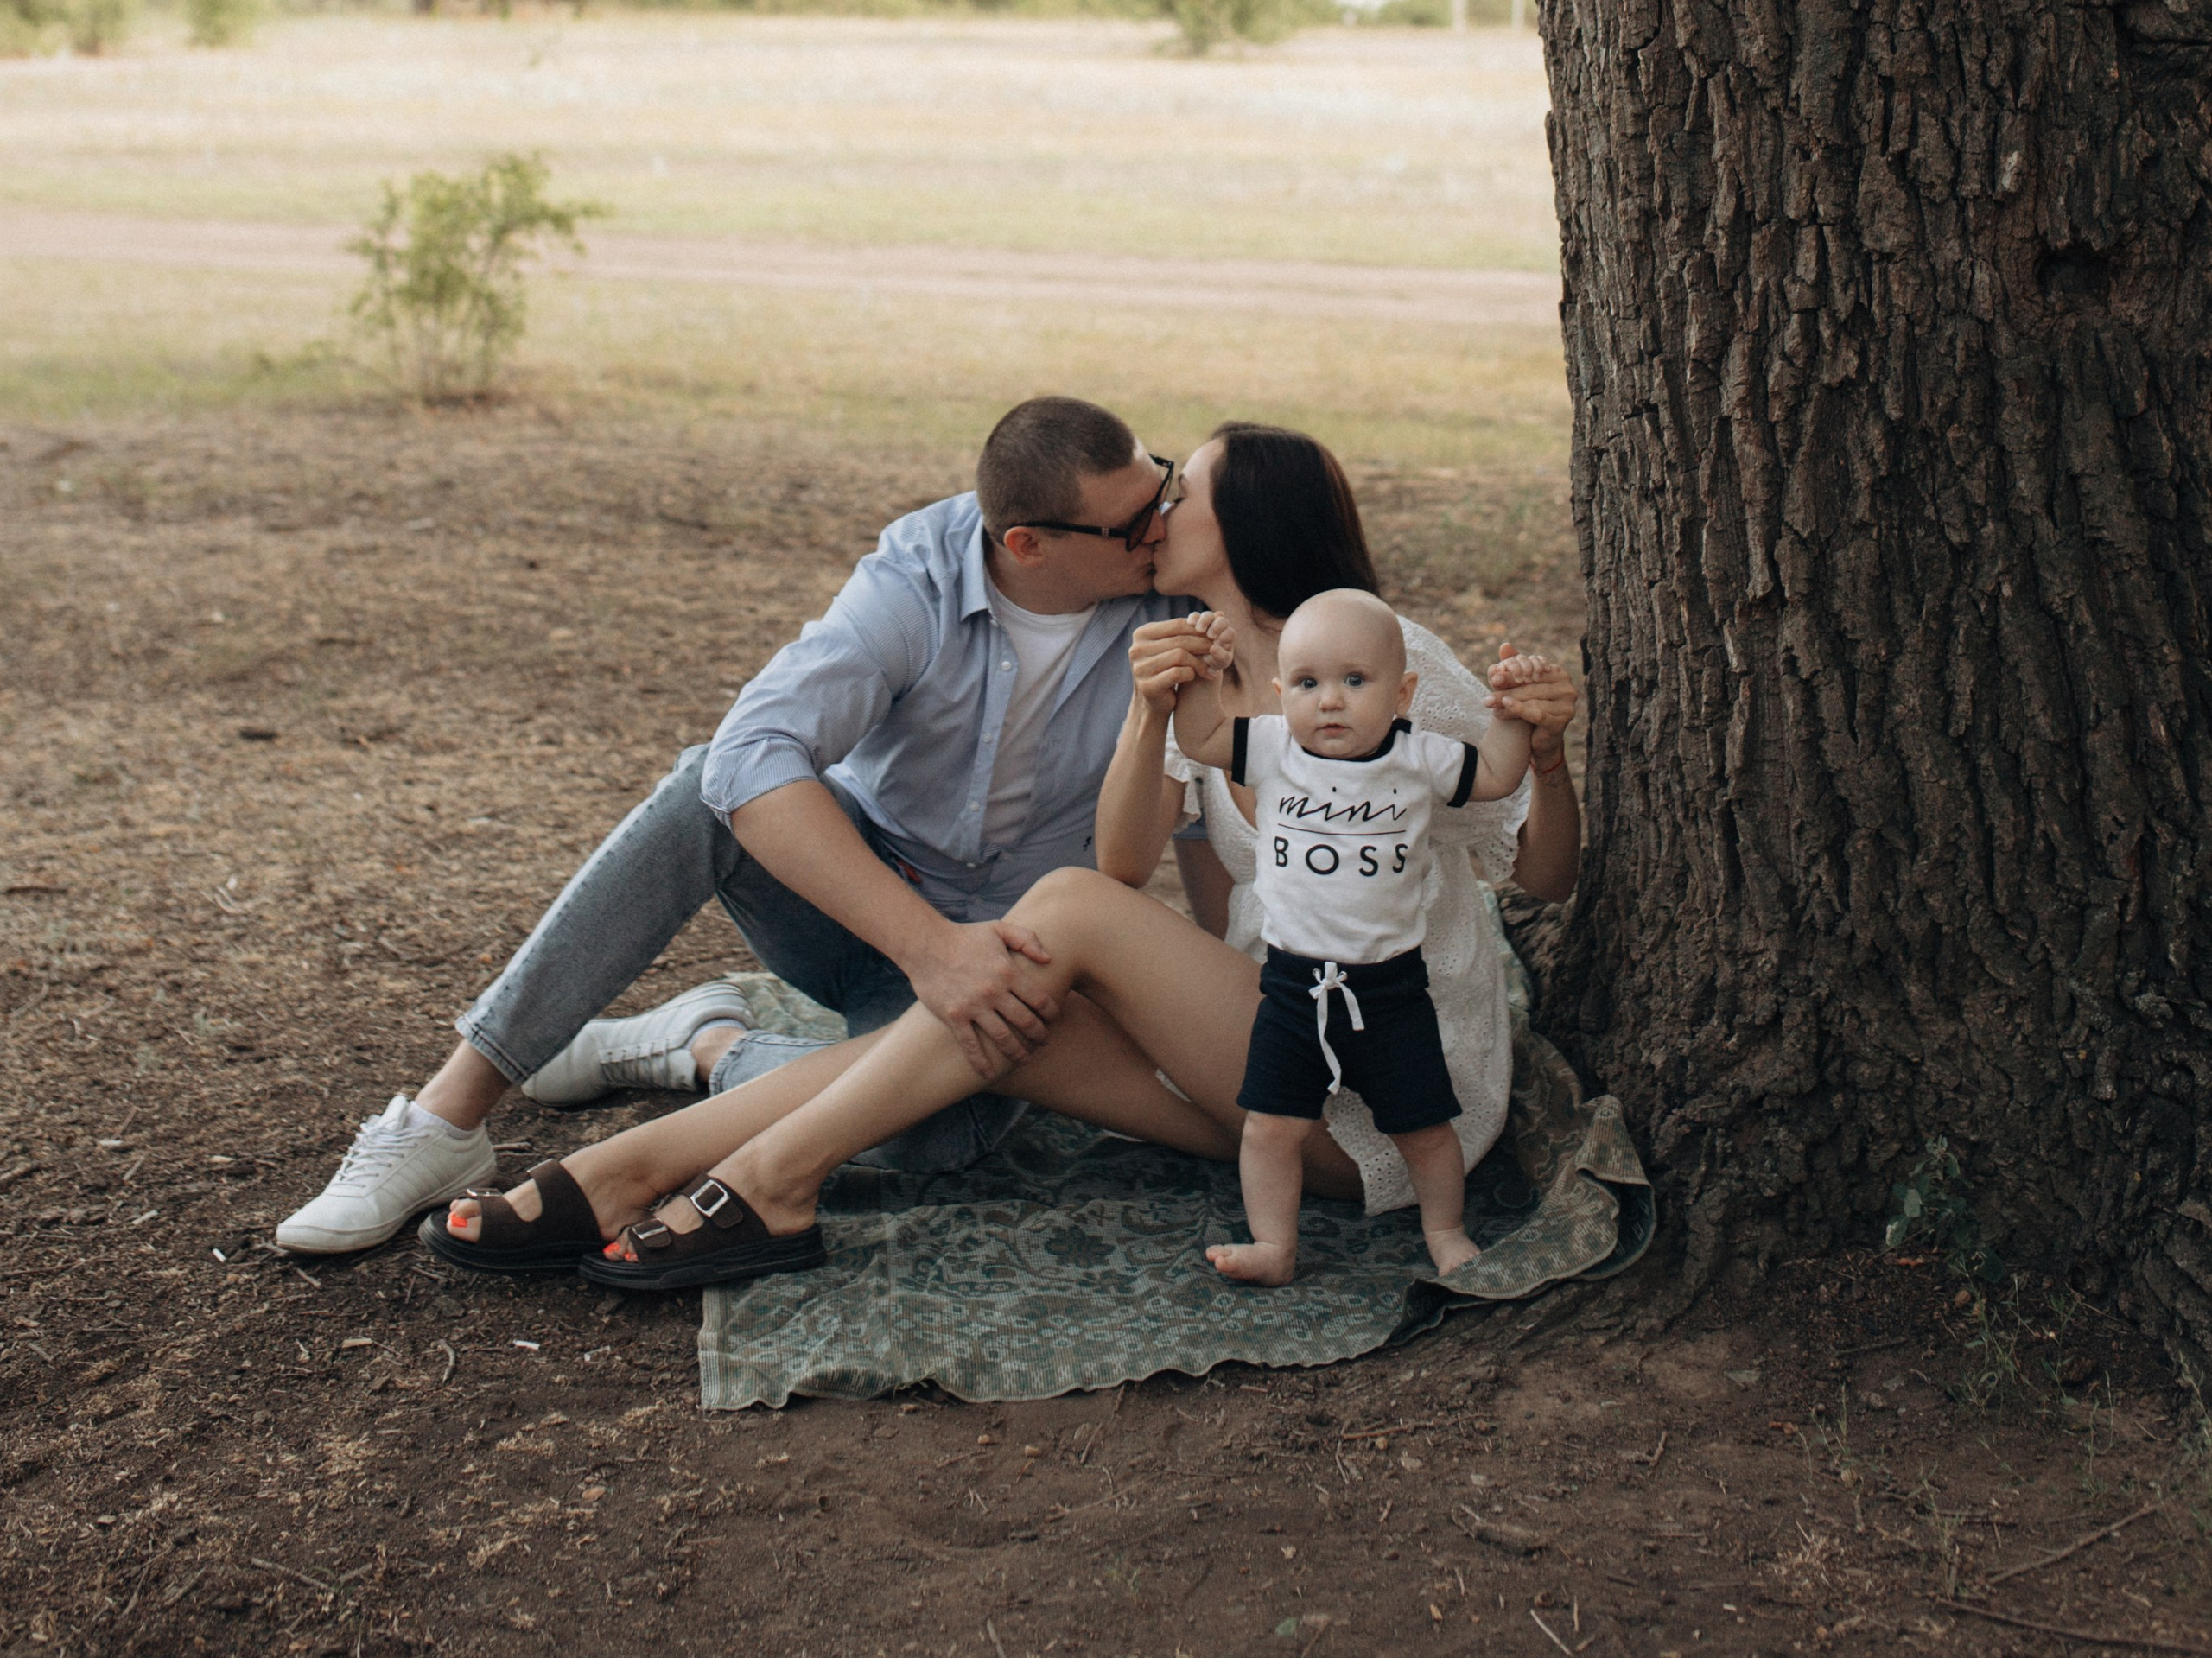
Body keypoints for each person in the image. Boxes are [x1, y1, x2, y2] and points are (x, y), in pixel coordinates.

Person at [423, 423, 1580, 1287]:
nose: (1159, 507)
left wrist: (1552, 753)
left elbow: (1541, 872)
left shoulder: (1387, 655)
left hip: (1379, 1086)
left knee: (1052, 917)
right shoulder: (1193, 662)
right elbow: (1132, 866)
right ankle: (643, 1167)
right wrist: (1148, 715)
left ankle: (769, 1182)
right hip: (1264, 1075)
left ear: (1253, 522)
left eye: (1188, 488)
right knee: (1003, 1000)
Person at [276, 394, 1185, 1254]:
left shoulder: (1172, 593)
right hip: (859, 897)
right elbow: (751, 754)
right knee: (700, 786)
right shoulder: (920, 572)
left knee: (938, 1136)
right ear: (1027, 543)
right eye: (1134, 521)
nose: (1163, 526)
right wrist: (931, 952)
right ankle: (445, 1117)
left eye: (1164, 489)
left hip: (1014, 944)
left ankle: (703, 1048)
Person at [1171, 586, 1530, 1286]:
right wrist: (1202, 681)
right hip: (1291, 987)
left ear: (1403, 694)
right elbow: (1200, 739)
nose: (1328, 701)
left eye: (1354, 682)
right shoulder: (1274, 747)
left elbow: (1494, 775)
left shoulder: (1417, 756)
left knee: (1424, 1129)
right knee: (1272, 1127)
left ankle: (1445, 1229)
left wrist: (1513, 717)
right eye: (1307, 684)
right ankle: (1275, 1246)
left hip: (1390, 989)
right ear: (1280, 693)